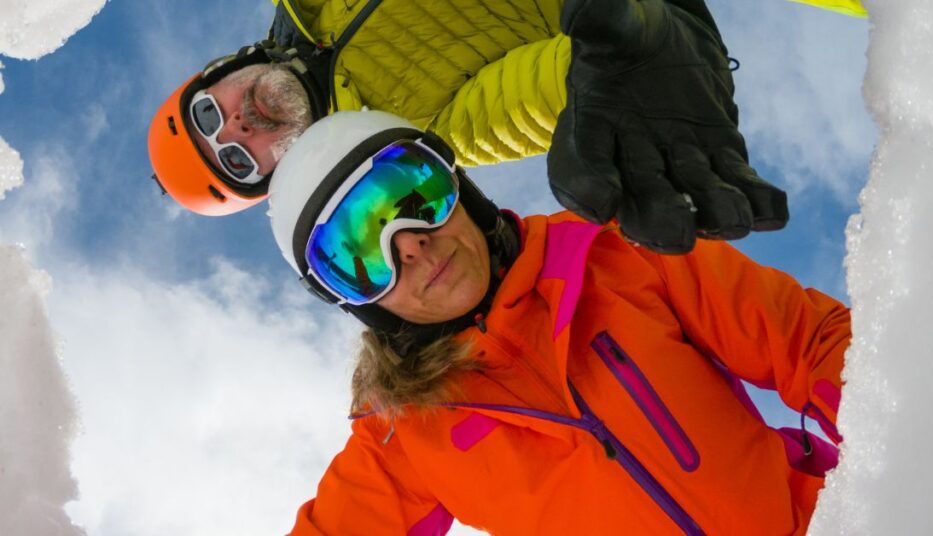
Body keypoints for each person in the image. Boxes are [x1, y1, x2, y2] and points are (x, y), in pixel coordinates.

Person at [266, 110, 850, 535]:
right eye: (364, 258)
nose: (411, 247)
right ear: (360, 303)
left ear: (457, 187)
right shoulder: (407, 436)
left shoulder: (616, 251)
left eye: (413, 201)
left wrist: (910, 444)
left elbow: (810, 340)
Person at [150, 0, 865, 252]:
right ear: (280, 174)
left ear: (222, 69)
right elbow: (540, 94)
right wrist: (616, 67)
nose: (240, 125)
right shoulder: (418, 131)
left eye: (210, 112)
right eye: (239, 160)